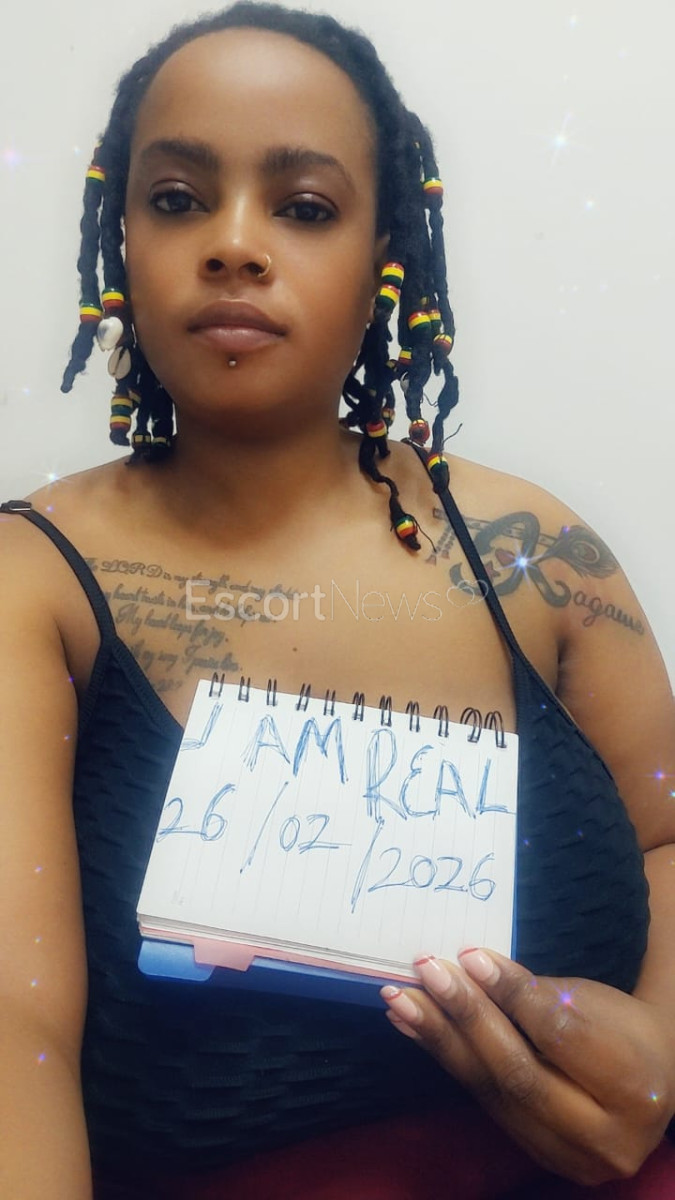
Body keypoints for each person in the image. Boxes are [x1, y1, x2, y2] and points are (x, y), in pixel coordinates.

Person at [1, 3, 674, 1197]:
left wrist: (663, 1044)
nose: (234, 245)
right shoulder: (32, 584)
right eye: (177, 199)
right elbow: (15, 1026)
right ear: (121, 244)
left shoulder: (542, 561)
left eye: (305, 207)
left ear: (385, 257)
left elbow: (666, 840)